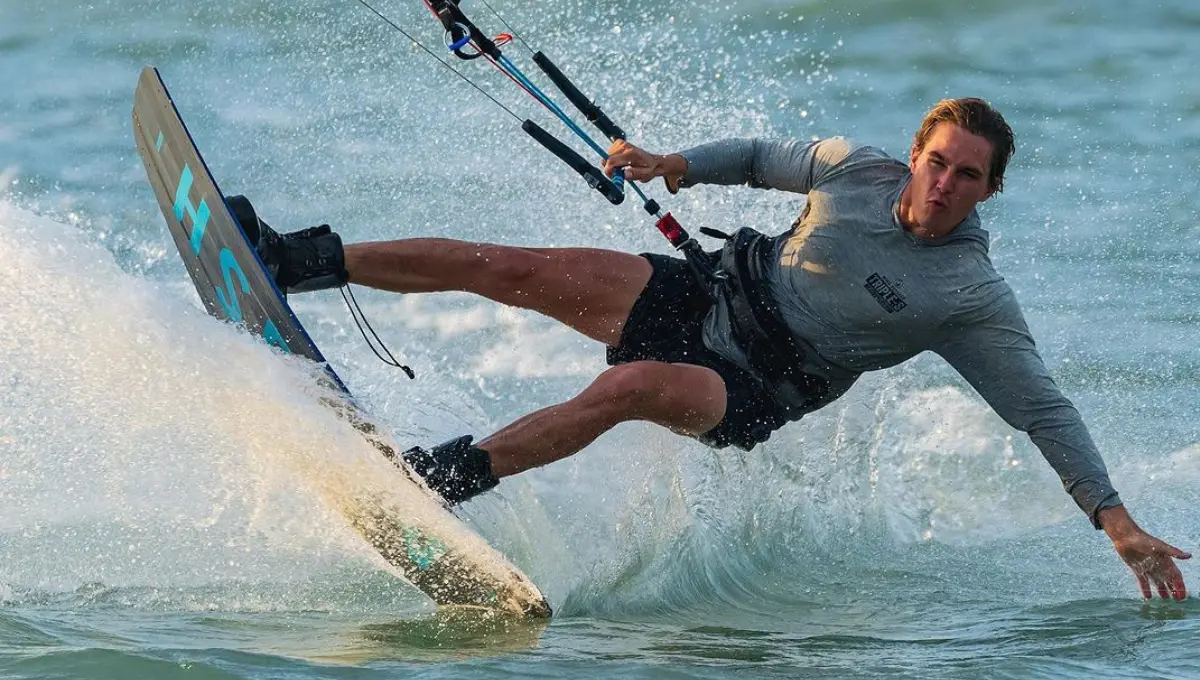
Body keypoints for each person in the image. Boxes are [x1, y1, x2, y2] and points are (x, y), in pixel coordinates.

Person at [232, 97, 1190, 600]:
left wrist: (1118, 524)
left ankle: (442, 477)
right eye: (938, 162)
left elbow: (1043, 410)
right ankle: (294, 258)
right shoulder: (859, 170)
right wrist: (671, 165)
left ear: (989, 193)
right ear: (917, 152)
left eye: (967, 177)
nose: (942, 185)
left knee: (636, 387)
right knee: (510, 266)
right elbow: (765, 159)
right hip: (709, 289)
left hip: (756, 385)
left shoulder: (971, 300)